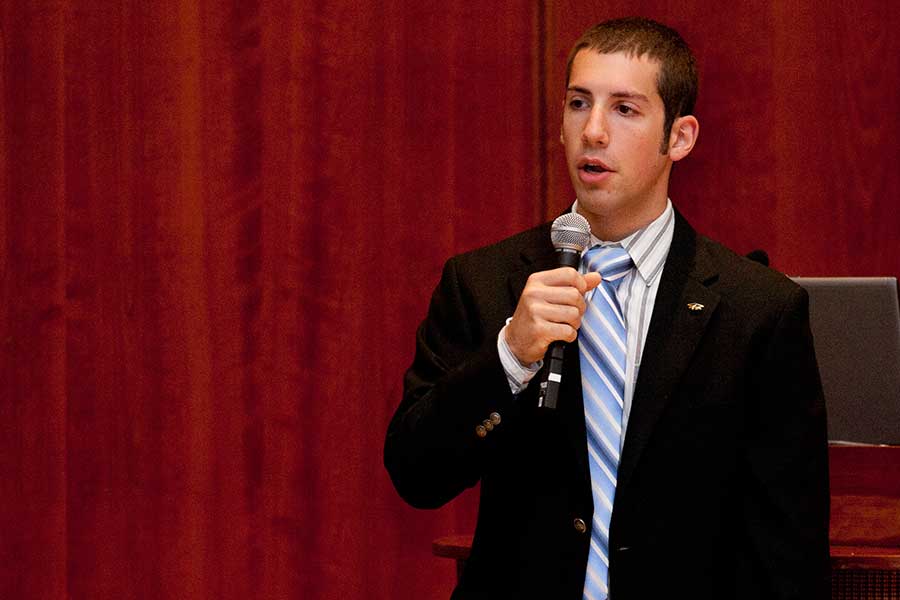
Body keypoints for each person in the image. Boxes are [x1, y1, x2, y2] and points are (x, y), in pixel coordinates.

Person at [384, 17, 829, 600]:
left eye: (625, 109)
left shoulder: (758, 310)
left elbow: (788, 552)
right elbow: (417, 473)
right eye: (578, 103)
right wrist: (510, 357)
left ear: (680, 137)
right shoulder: (483, 282)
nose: (593, 130)